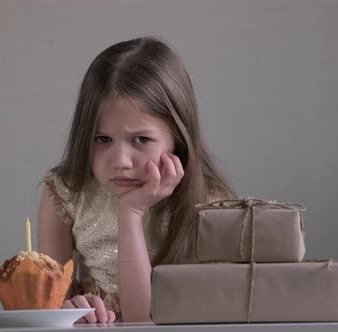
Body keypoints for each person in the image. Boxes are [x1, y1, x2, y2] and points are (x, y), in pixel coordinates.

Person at [36, 36, 235, 323]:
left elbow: (142, 321)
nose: (120, 161)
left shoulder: (211, 205)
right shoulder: (66, 192)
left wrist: (130, 213)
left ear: (177, 138)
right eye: (102, 139)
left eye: (141, 139)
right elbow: (47, 308)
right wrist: (69, 311)